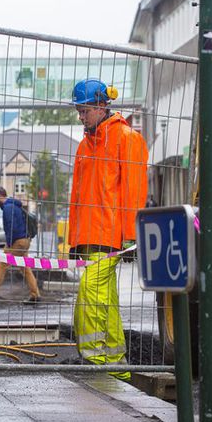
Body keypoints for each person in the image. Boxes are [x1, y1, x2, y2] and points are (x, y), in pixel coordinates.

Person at [69, 78, 148, 380]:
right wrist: (74, 241)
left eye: (84, 110)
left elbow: (134, 189)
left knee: (90, 293)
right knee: (107, 298)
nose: (80, 116)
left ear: (102, 106)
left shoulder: (126, 138)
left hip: (110, 235)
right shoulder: (84, 147)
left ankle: (96, 361)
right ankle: (117, 365)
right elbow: (78, 197)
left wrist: (131, 236)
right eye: (78, 110)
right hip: (90, 236)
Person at [0, 186, 42, 304]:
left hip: (17, 242)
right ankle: (35, 294)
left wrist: (9, 244)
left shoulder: (8, 208)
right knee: (25, 268)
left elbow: (12, 227)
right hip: (24, 241)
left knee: (2, 265)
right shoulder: (13, 205)